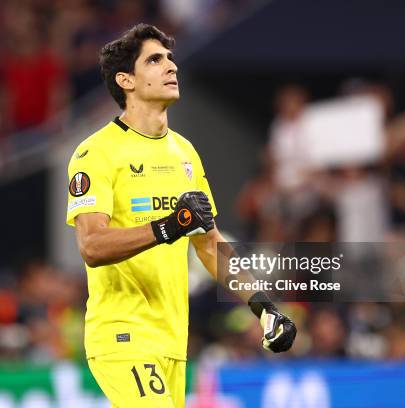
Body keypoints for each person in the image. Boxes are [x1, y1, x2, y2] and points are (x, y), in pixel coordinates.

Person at [66, 24, 296, 408]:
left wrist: (264, 307)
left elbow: (209, 244)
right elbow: (91, 245)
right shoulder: (96, 154)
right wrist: (168, 226)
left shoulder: (184, 153)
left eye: (170, 58)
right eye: (154, 60)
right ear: (126, 80)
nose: (171, 66)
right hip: (123, 335)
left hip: (172, 340)